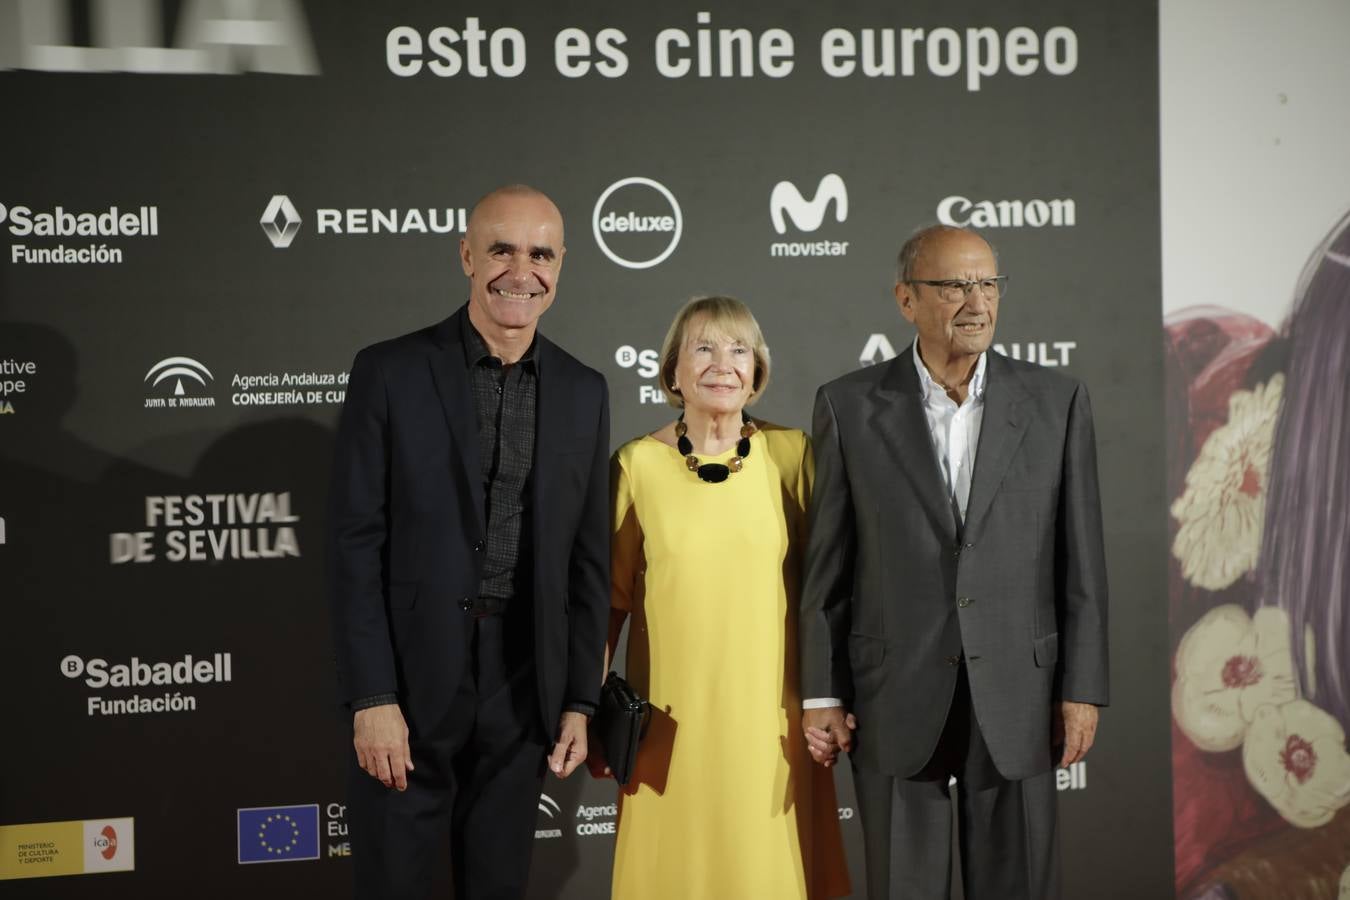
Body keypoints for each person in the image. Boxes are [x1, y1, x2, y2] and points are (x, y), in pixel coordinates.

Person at [800, 225, 1109, 899]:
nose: (978, 302)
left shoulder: (1058, 403)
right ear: (906, 299)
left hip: (1019, 695)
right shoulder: (848, 406)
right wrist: (822, 691)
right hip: (892, 689)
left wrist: (1081, 686)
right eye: (954, 286)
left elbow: (1082, 565)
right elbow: (828, 567)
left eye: (988, 283)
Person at [327, 184, 610, 899]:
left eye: (541, 253)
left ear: (562, 264)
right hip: (410, 688)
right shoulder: (389, 371)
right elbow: (354, 545)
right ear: (465, 255)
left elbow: (586, 563)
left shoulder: (584, 389)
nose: (522, 271)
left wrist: (580, 698)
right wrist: (371, 694)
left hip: (524, 685)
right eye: (501, 250)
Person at [604, 296, 849, 900]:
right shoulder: (636, 466)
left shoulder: (792, 455)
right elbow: (606, 605)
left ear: (758, 370)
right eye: (704, 348)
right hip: (669, 728)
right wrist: (586, 712)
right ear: (673, 371)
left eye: (739, 349)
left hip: (775, 727)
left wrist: (832, 697)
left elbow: (833, 589)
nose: (723, 363)